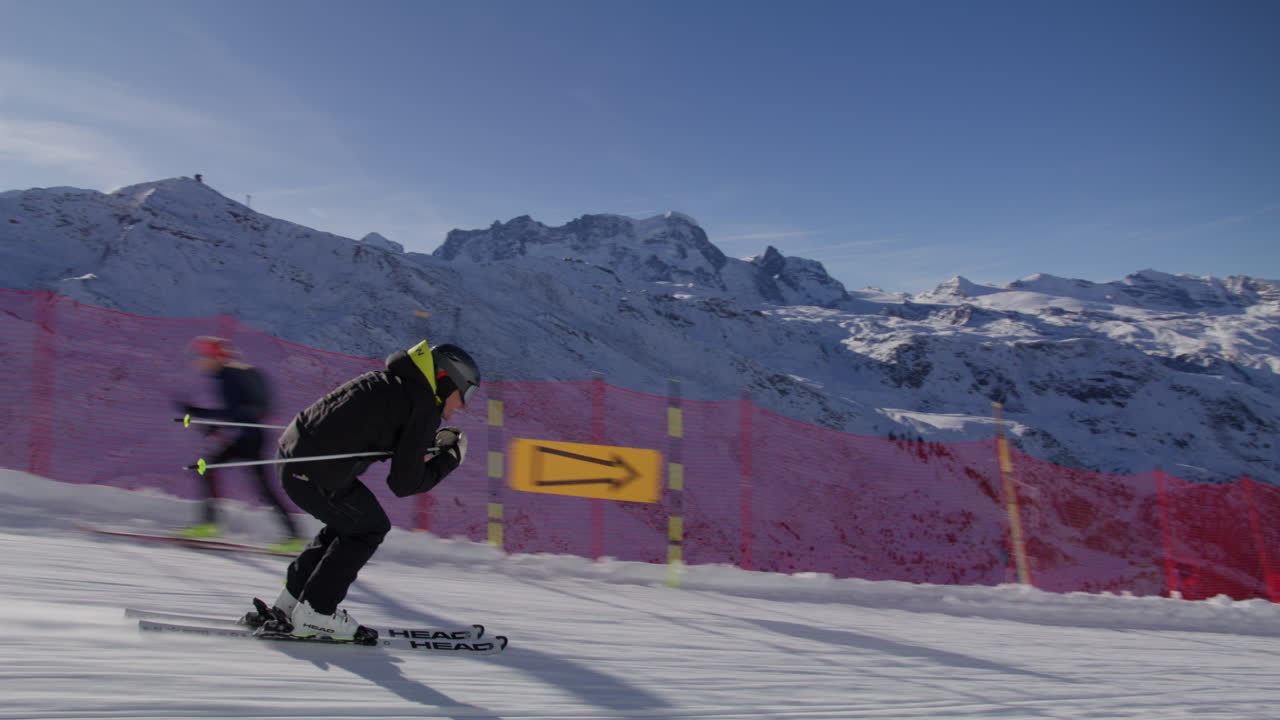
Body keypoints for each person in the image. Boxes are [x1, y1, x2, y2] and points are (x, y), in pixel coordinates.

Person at [255, 340, 479, 642]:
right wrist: (450, 459)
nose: (464, 404)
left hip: (293, 459)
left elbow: (381, 429)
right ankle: (317, 614)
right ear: (444, 380)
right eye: (466, 392)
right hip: (318, 473)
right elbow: (404, 484)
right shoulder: (423, 406)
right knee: (369, 529)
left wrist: (426, 443)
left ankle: (291, 603)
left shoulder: (395, 383)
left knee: (348, 523)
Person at [177, 336, 302, 550]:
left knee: (218, 471)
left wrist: (199, 412)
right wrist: (218, 424)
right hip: (250, 435)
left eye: (202, 356)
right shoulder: (238, 372)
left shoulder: (229, 376)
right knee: (211, 469)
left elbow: (239, 410)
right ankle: (293, 535)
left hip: (250, 438)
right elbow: (249, 409)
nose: (198, 361)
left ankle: (210, 525)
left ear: (215, 357)